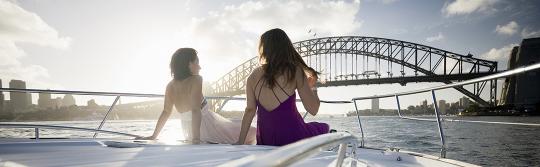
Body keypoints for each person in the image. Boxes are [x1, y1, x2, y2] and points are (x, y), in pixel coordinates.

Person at [139, 48, 256, 144]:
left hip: (188, 131)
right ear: (189, 64)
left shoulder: (170, 85)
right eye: (197, 62)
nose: (200, 67)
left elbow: (166, 112)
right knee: (252, 132)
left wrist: (154, 136)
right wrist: (196, 139)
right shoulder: (196, 80)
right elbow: (195, 110)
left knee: (236, 123)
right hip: (206, 127)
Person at [235, 28, 329, 146]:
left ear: (264, 49)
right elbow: (313, 110)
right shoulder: (295, 71)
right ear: (286, 47)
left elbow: (249, 110)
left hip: (266, 140)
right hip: (293, 138)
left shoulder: (252, 76)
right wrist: (313, 88)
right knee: (323, 127)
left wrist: (240, 141)